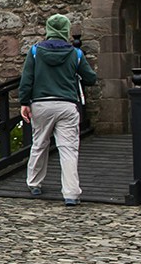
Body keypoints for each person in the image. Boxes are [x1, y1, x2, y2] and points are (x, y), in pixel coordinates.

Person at [19, 14, 99, 206]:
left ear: (48, 30)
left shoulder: (36, 51)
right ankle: (71, 193)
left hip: (41, 104)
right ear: (66, 30)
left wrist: (24, 102)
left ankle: (34, 183)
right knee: (68, 148)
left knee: (39, 143)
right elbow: (90, 78)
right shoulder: (75, 53)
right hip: (66, 104)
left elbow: (27, 78)